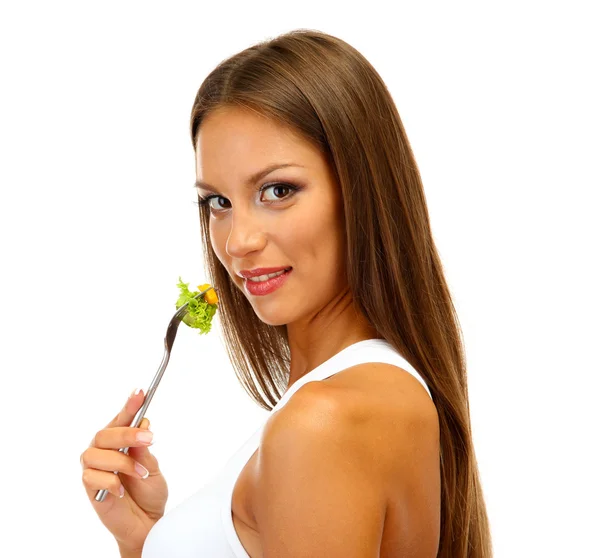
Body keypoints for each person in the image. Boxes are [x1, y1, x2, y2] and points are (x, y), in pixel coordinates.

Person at [80, 29, 492, 558]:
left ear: (361, 189)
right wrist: (146, 538)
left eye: (278, 191)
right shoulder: (353, 399)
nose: (238, 241)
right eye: (218, 202)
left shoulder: (323, 422)